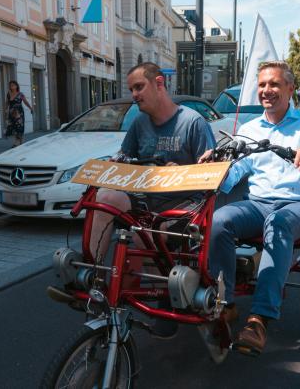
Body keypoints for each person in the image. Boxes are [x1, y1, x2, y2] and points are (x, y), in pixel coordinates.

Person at [202, 61, 300, 356]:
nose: (267, 90)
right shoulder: (250, 129)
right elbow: (233, 174)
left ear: (290, 89)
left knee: (278, 223)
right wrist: (215, 165)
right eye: (263, 84)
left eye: (275, 84)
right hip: (257, 204)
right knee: (218, 221)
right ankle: (225, 303)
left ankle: (259, 320)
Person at [89, 62, 216, 337]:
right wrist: (113, 164)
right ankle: (95, 279)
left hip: (188, 208)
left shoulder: (192, 122)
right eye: (131, 89)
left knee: (145, 234)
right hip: (151, 204)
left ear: (159, 83)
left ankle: (166, 298)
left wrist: (181, 173)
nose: (134, 94)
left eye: (138, 87)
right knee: (105, 197)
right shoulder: (139, 124)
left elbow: (212, 175)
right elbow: (125, 157)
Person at [5, 80, 33, 147]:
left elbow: (25, 102)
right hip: (11, 113)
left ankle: (16, 142)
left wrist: (31, 108)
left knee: (19, 127)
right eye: (10, 85)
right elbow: (7, 103)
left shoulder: (20, 94)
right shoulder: (9, 94)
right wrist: (5, 110)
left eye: (13, 85)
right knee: (13, 127)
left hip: (19, 113)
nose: (11, 87)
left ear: (16, 86)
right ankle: (20, 141)